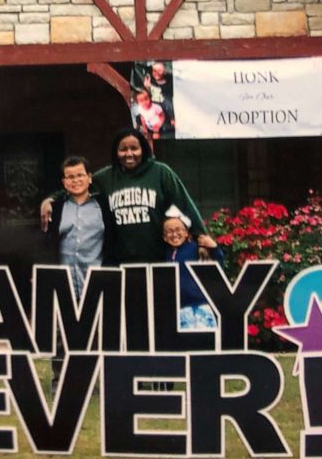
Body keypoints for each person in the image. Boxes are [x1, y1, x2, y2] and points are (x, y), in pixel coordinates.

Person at [41, 128, 215, 264]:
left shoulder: (160, 172)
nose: (129, 154)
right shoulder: (107, 177)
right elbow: (79, 185)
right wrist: (51, 200)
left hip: (158, 256)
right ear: (116, 152)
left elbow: (184, 204)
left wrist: (200, 236)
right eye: (123, 149)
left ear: (143, 149)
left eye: (134, 148)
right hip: (121, 260)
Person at [42, 156, 113, 393]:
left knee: (94, 334)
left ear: (89, 178)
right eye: (70, 177)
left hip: (95, 277)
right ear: (64, 182)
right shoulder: (57, 207)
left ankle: (92, 384)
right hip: (64, 279)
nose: (76, 180)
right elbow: (46, 242)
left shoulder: (103, 205)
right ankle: (61, 383)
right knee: (61, 335)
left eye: (80, 175)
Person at [162, 205, 224, 331]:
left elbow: (217, 265)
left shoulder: (196, 249)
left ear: (186, 232)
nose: (174, 234)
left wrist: (214, 247)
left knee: (204, 344)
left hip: (200, 307)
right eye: (169, 231)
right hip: (177, 309)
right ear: (164, 236)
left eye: (178, 229)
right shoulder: (165, 253)